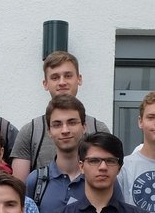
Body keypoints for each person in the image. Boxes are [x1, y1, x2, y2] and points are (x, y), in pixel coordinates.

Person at [11, 51, 110, 181]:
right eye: (55, 77)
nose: (62, 82)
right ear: (45, 84)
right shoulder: (30, 132)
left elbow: (110, 178)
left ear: (79, 79)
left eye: (68, 76)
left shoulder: (99, 130)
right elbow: (20, 190)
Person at [24, 95, 93, 213]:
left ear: (84, 127)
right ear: (49, 131)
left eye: (72, 122)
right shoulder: (35, 181)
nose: (65, 130)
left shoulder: (99, 176)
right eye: (57, 124)